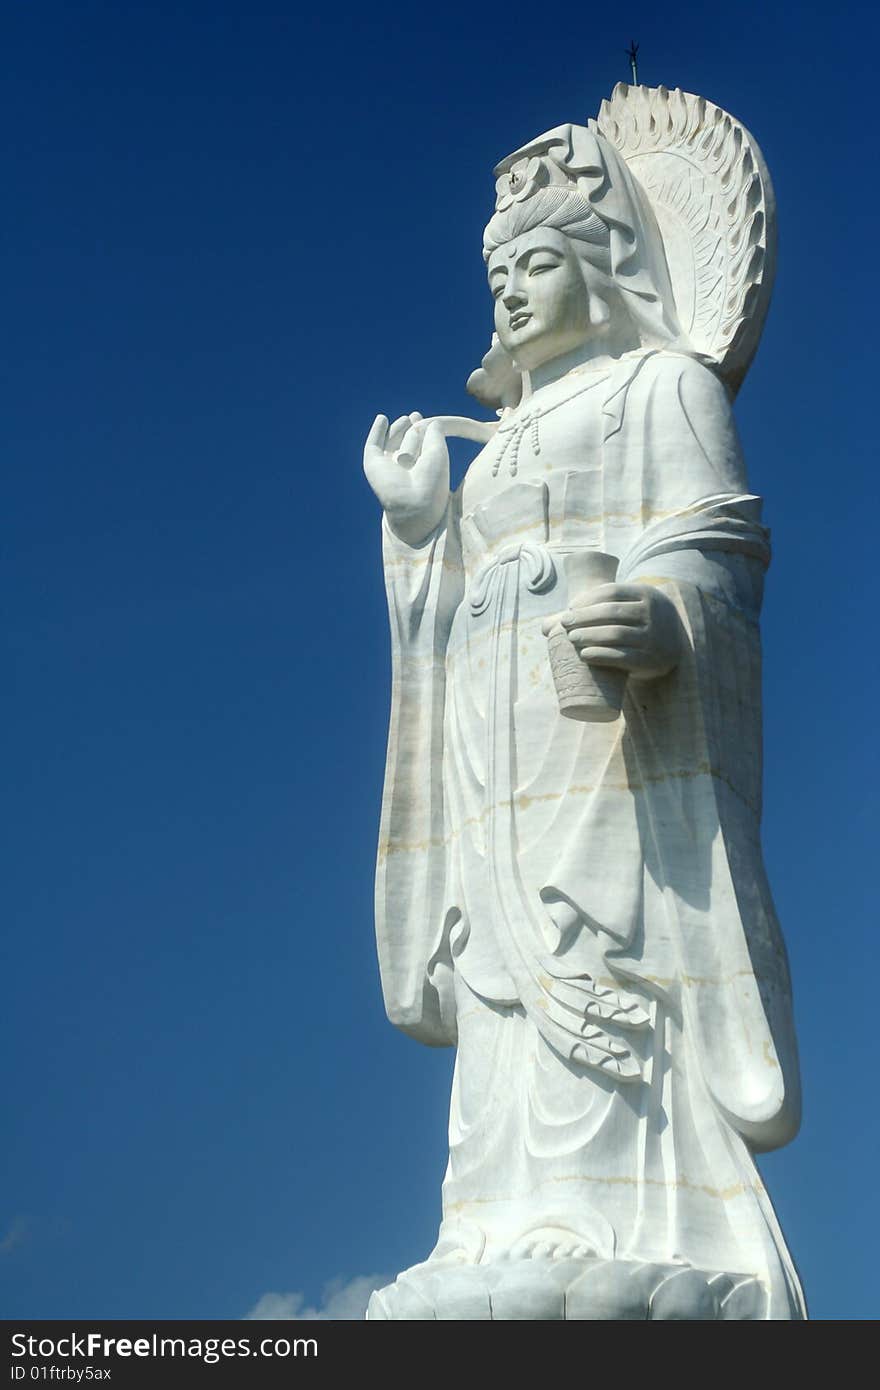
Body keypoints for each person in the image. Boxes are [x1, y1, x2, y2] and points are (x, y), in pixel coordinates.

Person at [364, 122, 804, 1320]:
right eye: (497, 276)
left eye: (537, 266)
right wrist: (418, 533)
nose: (509, 293)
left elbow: (718, 545)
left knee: (596, 947)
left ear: (605, 265)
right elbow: (447, 610)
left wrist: (666, 619)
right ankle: (495, 1216)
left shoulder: (664, 386)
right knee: (503, 987)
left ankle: (623, 1210)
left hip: (612, 741)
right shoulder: (495, 443)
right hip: (492, 752)